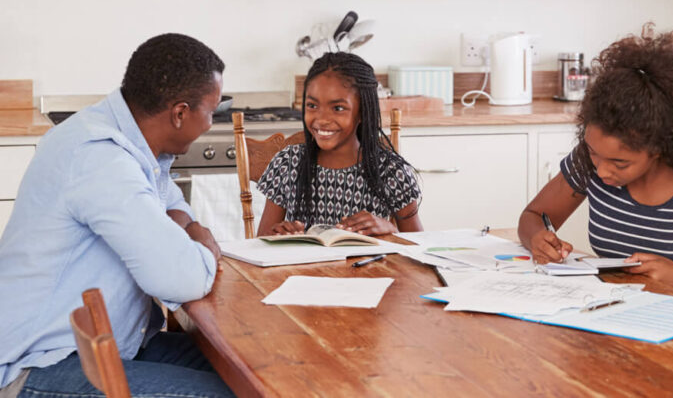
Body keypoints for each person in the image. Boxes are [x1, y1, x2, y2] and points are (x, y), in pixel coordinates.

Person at [0, 34, 235, 397]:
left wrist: (185, 230)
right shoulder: (101, 158)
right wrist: (202, 242)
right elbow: (182, 278)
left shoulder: (128, 140)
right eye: (211, 110)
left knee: (254, 375)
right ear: (180, 112)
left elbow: (175, 206)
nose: (209, 124)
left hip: (117, 344)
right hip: (39, 365)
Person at [518, 25, 673, 311]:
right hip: (628, 317)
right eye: (593, 152)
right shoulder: (590, 161)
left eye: (619, 163)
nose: (601, 171)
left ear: (662, 146)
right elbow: (534, 215)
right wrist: (537, 238)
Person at [257, 51, 423, 236]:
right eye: (312, 106)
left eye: (338, 108)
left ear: (362, 112)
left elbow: (418, 247)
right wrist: (281, 234)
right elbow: (261, 241)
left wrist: (391, 231)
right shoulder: (288, 163)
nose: (322, 119)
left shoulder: (391, 171)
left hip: (370, 265)